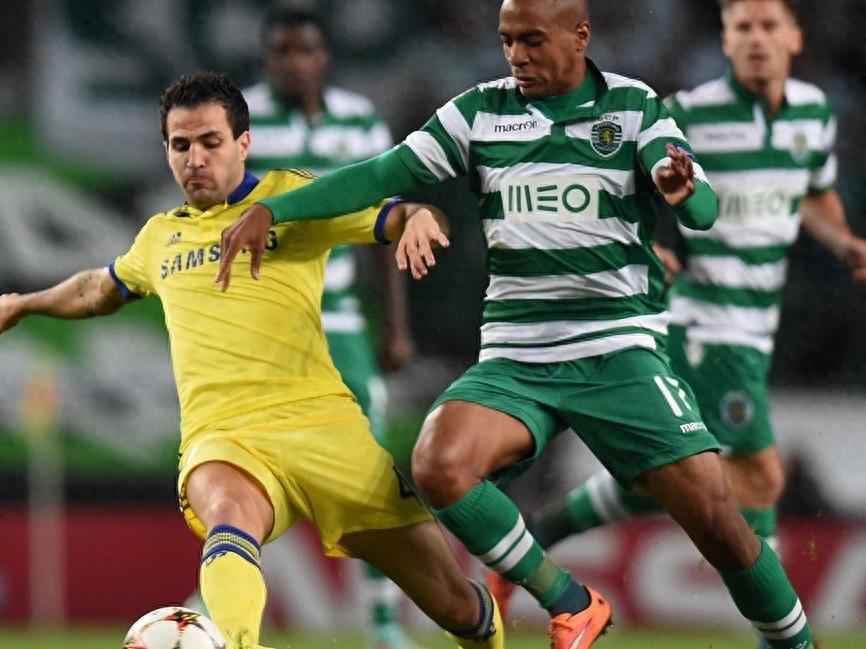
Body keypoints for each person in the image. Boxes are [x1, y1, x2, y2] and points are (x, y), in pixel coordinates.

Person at [215, 1, 817, 647]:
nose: (516, 56)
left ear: (580, 36)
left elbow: (701, 210)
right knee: (438, 463)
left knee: (719, 523)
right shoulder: (480, 112)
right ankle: (572, 601)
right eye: (507, 41)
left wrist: (683, 188)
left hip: (617, 349)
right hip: (516, 355)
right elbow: (381, 173)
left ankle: (797, 642)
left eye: (532, 40)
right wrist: (274, 209)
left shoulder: (633, 107)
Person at [0, 72, 504, 649]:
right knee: (228, 513)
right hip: (224, 437)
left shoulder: (293, 199)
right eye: (180, 145)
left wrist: (419, 218)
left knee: (456, 605)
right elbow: (99, 288)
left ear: (243, 143)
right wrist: (24, 303)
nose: (195, 159)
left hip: (326, 429)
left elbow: (397, 215)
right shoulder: (160, 237)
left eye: (210, 142)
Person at [493, 0, 866, 641]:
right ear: (724, 40)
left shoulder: (812, 112)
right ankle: (781, 637)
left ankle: (535, 536)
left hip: (756, 322)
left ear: (795, 38)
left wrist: (845, 243)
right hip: (702, 321)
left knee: (668, 475)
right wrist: (650, 247)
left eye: (768, 26)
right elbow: (625, 180)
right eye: (742, 27)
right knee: (760, 475)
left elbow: (811, 190)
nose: (755, 39)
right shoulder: (687, 112)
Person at [243, 9, 419, 649]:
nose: (294, 62)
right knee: (251, 460)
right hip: (268, 319)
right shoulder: (242, 122)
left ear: (324, 57)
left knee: (370, 465)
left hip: (341, 317)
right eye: (281, 52)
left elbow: (385, 223)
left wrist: (395, 326)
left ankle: (383, 624)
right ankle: (221, 605)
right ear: (267, 60)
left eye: (304, 51)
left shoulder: (359, 120)